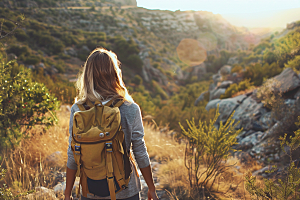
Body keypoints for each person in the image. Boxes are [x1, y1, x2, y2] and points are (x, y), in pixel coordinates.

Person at [64, 48, 159, 200]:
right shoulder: (130, 108)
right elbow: (139, 151)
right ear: (115, 74)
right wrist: (152, 188)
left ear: (88, 75)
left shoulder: (78, 110)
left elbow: (72, 152)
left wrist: (67, 192)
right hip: (126, 191)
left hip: (90, 190)